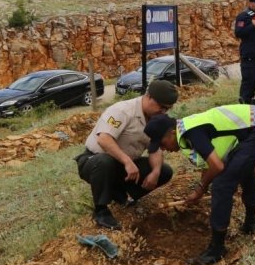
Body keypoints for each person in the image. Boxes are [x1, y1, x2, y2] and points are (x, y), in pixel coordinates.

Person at [143, 103, 255, 265]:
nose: (163, 149)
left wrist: (201, 188)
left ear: (172, 133)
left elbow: (217, 166)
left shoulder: (192, 132)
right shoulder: (186, 127)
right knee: (241, 168)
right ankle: (251, 223)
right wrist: (201, 188)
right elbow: (211, 162)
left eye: (162, 143)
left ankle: (217, 249)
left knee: (222, 184)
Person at [75, 79, 179, 229]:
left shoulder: (156, 120)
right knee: (105, 162)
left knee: (164, 171)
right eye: (161, 106)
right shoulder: (122, 110)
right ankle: (101, 211)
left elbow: (154, 148)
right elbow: (103, 139)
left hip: (124, 167)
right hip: (94, 161)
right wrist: (127, 161)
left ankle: (121, 195)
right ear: (148, 96)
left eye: (167, 109)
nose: (163, 111)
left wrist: (155, 172)